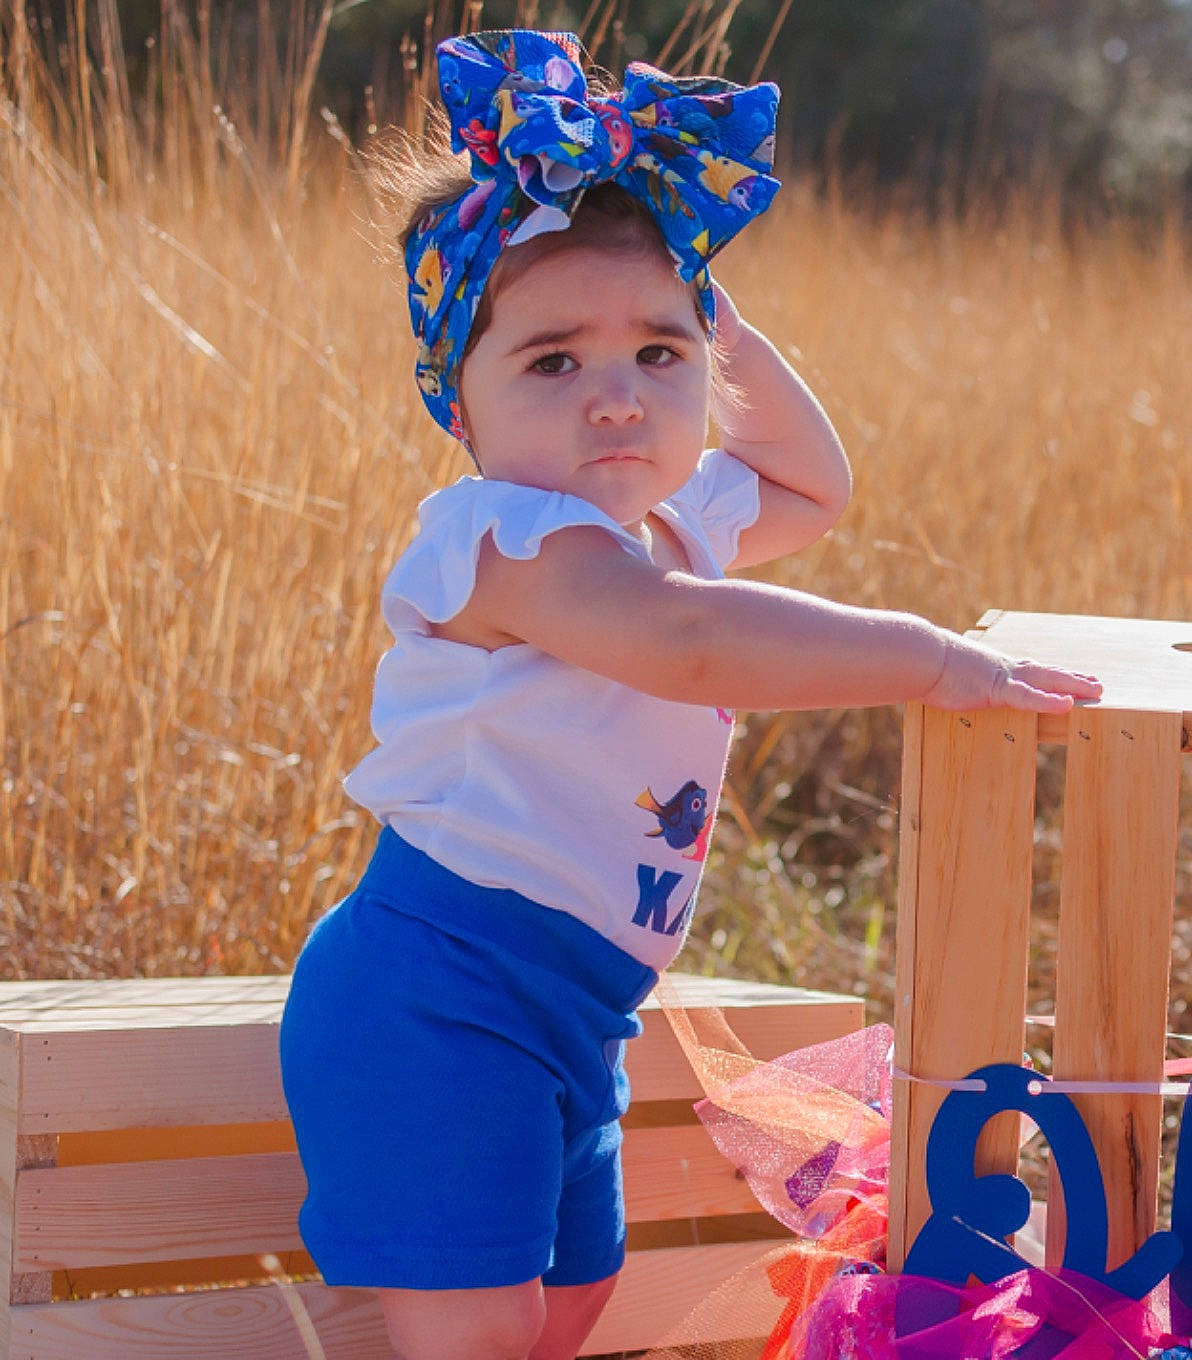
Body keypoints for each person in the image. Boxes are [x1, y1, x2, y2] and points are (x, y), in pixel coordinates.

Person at [277, 28, 1100, 1360]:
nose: (616, 400)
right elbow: (688, 647)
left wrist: (710, 312)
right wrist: (929, 659)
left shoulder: (679, 525)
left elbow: (813, 488)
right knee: (479, 1323)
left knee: (581, 1296)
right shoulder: (501, 540)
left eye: (657, 357)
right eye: (552, 363)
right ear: (460, 410)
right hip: (439, 993)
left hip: (581, 1007)